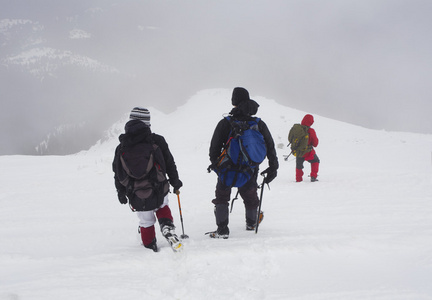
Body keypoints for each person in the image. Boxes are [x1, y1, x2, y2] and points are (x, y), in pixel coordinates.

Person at [207, 87, 279, 238]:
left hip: (226, 168)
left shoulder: (226, 122)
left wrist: (217, 165)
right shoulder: (258, 123)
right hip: (249, 168)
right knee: (250, 195)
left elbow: (214, 148)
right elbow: (270, 146)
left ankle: (222, 230)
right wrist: (273, 167)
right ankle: (252, 223)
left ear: (234, 102)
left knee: (222, 197)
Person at [112, 107, 183, 252]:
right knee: (162, 207)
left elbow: (117, 171)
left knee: (145, 221)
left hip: (136, 192)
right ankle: (167, 227)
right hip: (159, 187)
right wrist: (175, 181)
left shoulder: (122, 146)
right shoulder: (157, 140)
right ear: (147, 123)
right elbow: (169, 163)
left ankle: (150, 246)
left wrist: (120, 191)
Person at [295, 114, 320, 182]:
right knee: (316, 161)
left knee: (299, 164)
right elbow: (315, 144)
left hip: (298, 151)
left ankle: (298, 179)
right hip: (308, 152)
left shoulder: (297, 129)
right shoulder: (311, 131)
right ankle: (313, 177)